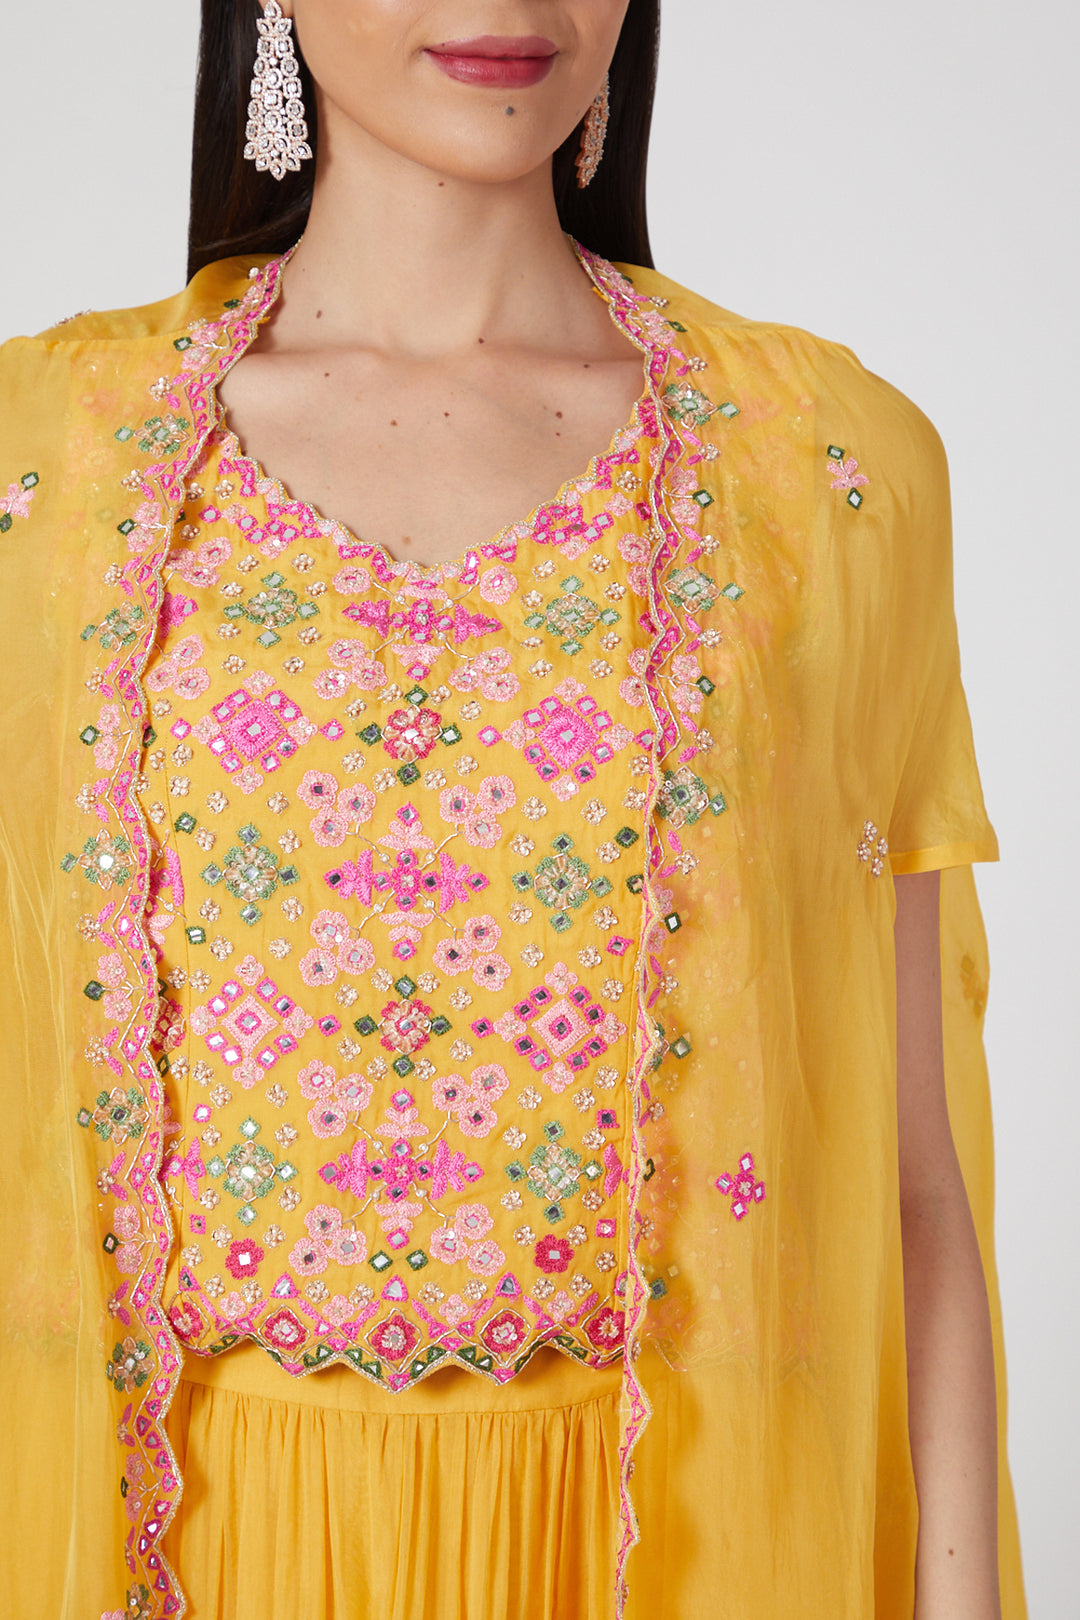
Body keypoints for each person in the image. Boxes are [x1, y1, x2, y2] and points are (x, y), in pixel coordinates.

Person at [0, 2, 1026, 1617]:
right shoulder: (44, 470)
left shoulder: (824, 471)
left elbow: (915, 1183)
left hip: (660, 1553)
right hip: (182, 1547)